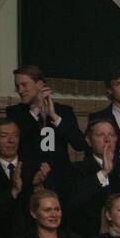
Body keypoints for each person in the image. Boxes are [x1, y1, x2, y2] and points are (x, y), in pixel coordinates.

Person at [7, 64, 85, 192]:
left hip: (61, 180)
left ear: (40, 84)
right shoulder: (15, 113)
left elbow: (79, 145)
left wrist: (54, 117)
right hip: (28, 180)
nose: (20, 90)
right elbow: (15, 142)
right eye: (17, 86)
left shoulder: (64, 111)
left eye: (24, 85)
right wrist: (34, 112)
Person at [65, 117, 120, 238]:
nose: (107, 140)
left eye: (111, 135)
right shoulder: (76, 169)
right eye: (100, 135)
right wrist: (104, 173)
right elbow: (73, 201)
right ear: (88, 140)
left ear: (116, 139)